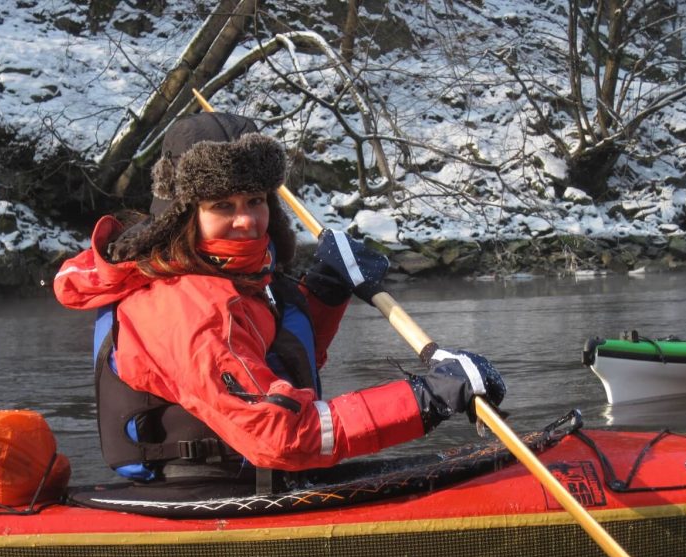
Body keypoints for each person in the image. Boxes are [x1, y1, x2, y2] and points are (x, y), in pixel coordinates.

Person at [54, 112, 505, 498]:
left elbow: (270, 362)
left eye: (255, 200)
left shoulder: (234, 278)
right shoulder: (186, 305)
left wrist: (325, 294)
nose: (247, 219)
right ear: (182, 215)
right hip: (214, 492)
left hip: (262, 481)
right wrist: (425, 400)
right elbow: (281, 435)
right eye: (222, 205)